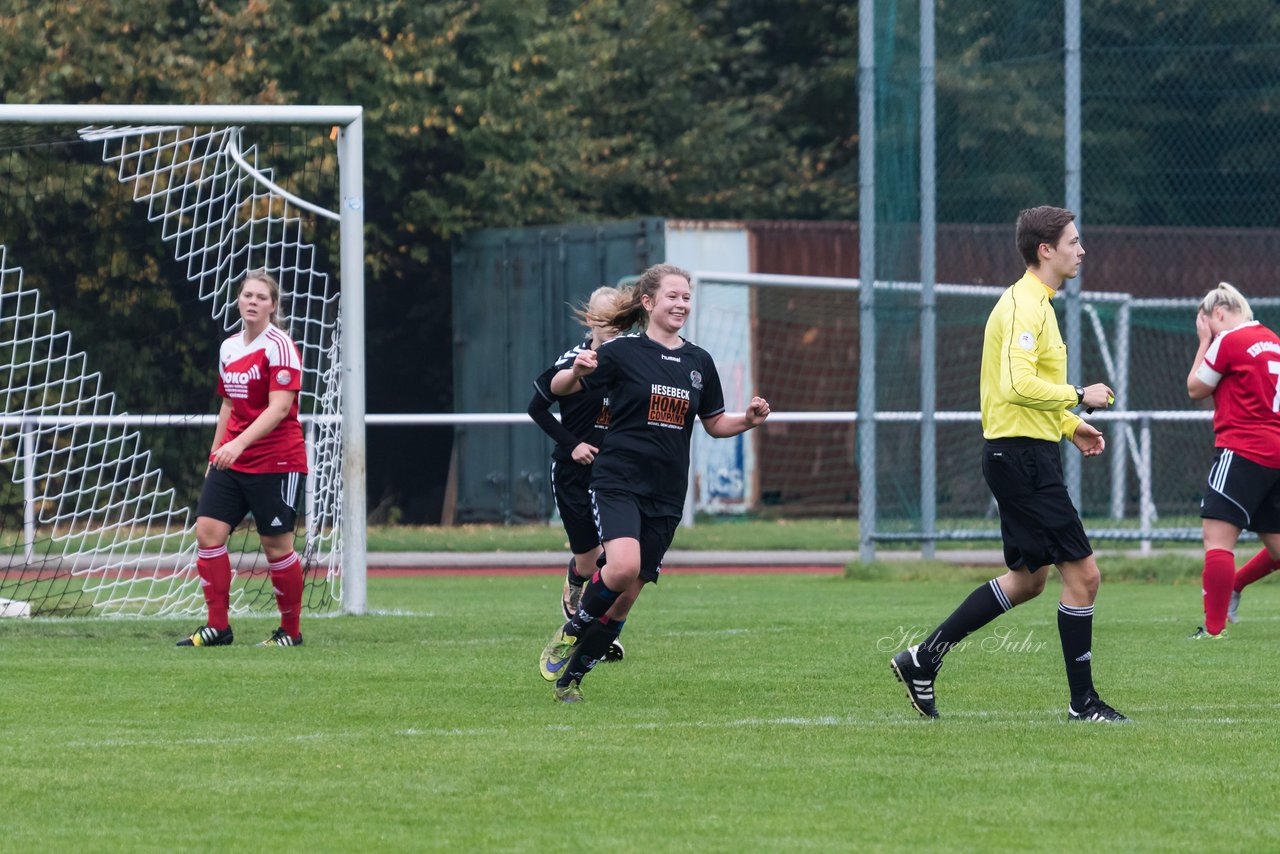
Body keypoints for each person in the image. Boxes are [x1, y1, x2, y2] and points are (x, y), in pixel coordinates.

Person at [889, 205, 1128, 722]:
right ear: (1046, 250)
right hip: (1021, 459)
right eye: (1073, 241)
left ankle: (922, 660)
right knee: (1084, 577)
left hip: (1023, 452)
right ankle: (1083, 703)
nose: (1081, 250)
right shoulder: (1026, 305)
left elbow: (1018, 395)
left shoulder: (1037, 302)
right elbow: (1016, 384)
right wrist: (1080, 396)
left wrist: (1069, 425)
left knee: (1029, 581)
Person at [537, 263, 770, 702]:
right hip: (619, 480)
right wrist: (578, 372)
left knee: (625, 600)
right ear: (648, 302)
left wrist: (749, 421)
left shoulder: (698, 361)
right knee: (620, 568)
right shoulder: (623, 352)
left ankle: (571, 682)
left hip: (666, 493)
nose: (681, 304)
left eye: (686, 297)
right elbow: (558, 387)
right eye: (673, 296)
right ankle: (572, 629)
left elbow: (715, 423)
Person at [177, 269, 309, 648]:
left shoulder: (280, 346)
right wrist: (217, 451)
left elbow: (280, 408)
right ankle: (218, 627)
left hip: (277, 460)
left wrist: (239, 445)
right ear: (238, 300)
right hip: (232, 459)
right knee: (207, 532)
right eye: (247, 295)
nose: (252, 301)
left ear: (273, 306)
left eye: (261, 297)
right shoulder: (230, 347)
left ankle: (291, 632)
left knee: (276, 547)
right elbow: (228, 405)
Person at [528, 286, 625, 663]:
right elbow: (536, 407)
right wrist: (573, 444)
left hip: (614, 474)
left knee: (616, 559)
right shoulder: (573, 360)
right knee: (589, 562)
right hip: (572, 473)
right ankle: (575, 582)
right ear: (590, 321)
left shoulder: (629, 358)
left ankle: (598, 634)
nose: (611, 329)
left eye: (618, 322)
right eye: (603, 322)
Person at [1184, 283, 1280, 639]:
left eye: (1205, 320)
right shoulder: (1273, 339)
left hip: (1243, 450)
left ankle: (1212, 632)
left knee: (1217, 539)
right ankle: (1236, 584)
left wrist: (1204, 341)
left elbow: (1195, 388)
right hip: (1276, 452)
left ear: (1218, 314)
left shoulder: (1228, 340)